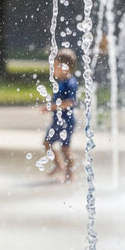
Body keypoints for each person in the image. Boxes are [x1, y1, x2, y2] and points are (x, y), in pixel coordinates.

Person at [41, 48, 78, 182]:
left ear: (65, 67)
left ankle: (70, 174)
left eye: (55, 66)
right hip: (57, 121)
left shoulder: (70, 82)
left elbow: (70, 102)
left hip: (67, 121)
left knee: (65, 148)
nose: (53, 69)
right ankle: (59, 166)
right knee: (46, 143)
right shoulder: (61, 82)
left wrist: (51, 107)